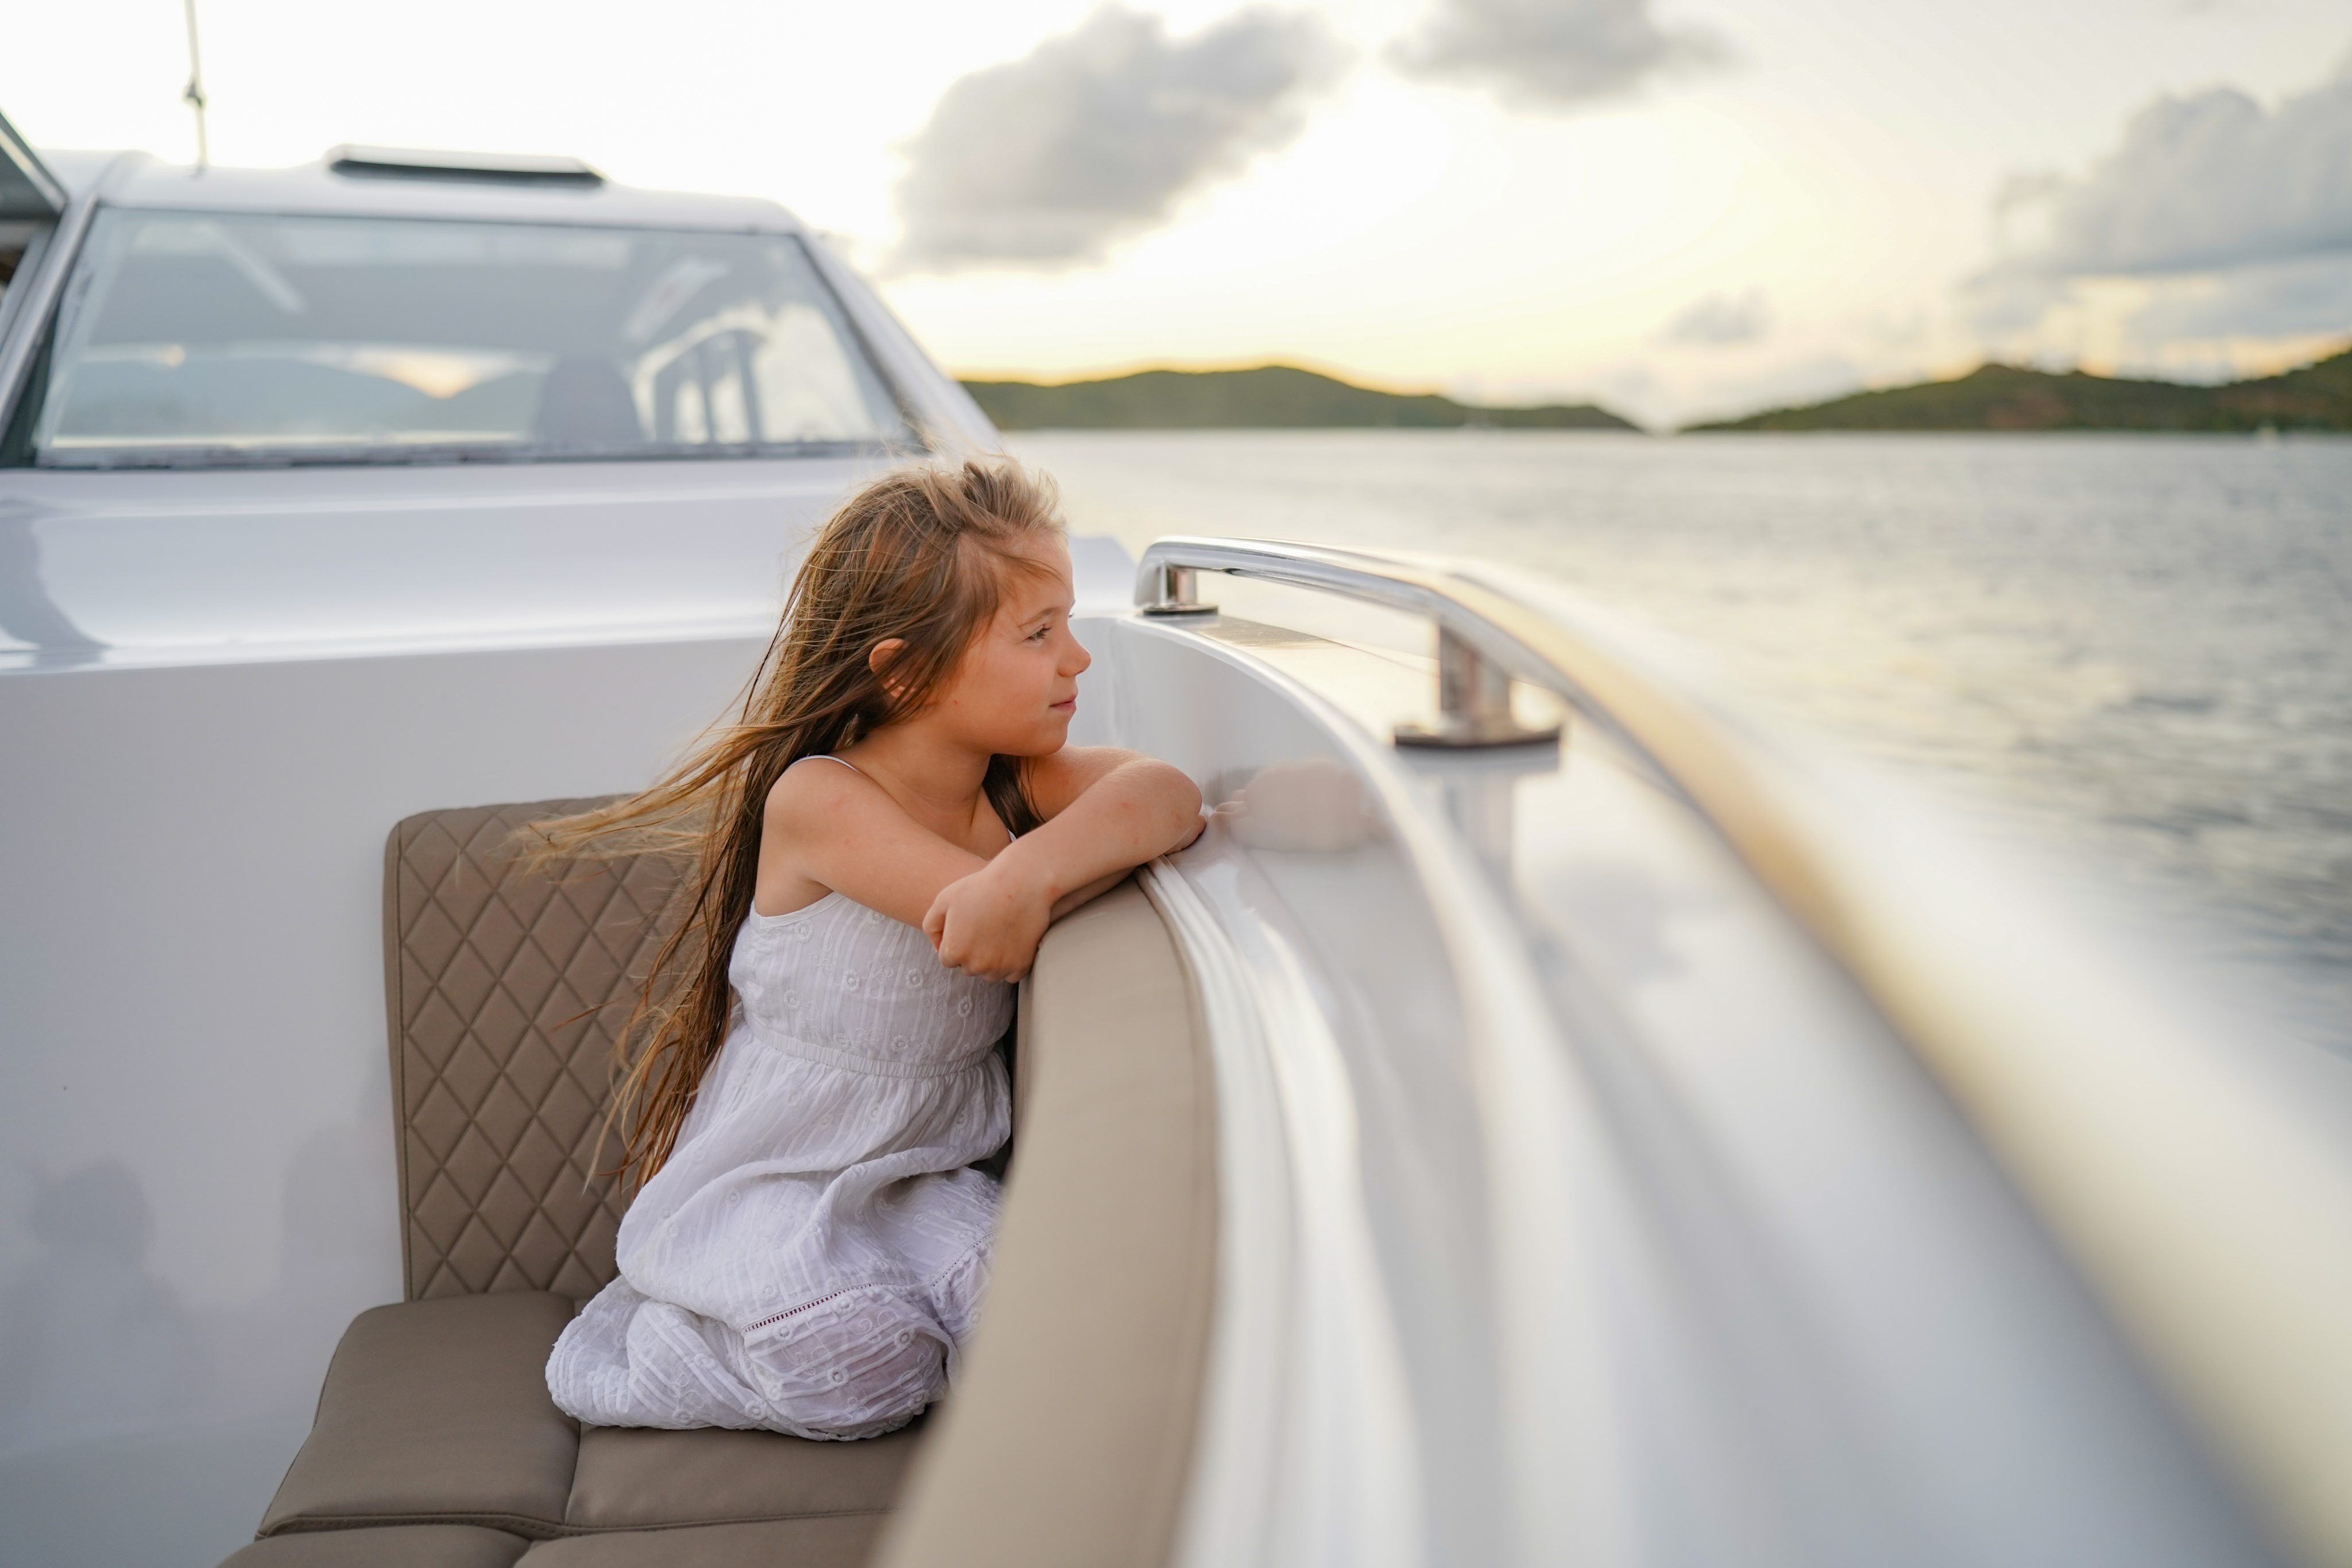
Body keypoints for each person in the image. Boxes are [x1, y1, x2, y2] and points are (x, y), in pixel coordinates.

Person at [535, 457, 1202, 1439]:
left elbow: (1167, 794)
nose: (1078, 660)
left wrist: (1028, 872)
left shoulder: (1016, 789)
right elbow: (967, 925)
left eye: (1067, 623)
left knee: (1031, 1318)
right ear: (905, 670)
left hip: (921, 1173)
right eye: (1038, 633)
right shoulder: (821, 799)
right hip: (779, 1177)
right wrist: (1026, 882)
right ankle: (670, 1348)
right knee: (858, 1370)